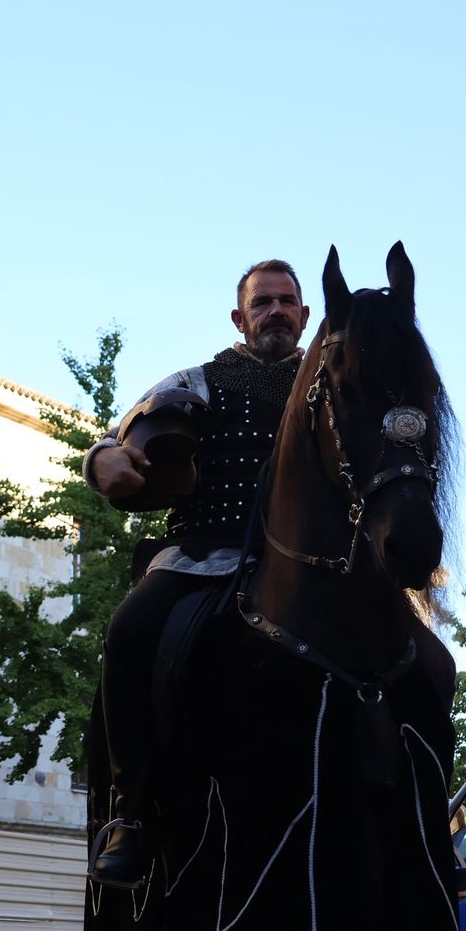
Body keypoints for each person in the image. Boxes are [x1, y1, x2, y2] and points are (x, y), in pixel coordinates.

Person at [85, 260, 310, 889]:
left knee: (409, 653)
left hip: (311, 563)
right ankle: (132, 813)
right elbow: (116, 437)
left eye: (286, 301)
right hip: (200, 554)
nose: (275, 311)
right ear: (240, 318)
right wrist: (101, 462)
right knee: (129, 633)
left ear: (304, 315)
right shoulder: (197, 381)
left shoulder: (332, 381)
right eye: (262, 303)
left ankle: (422, 820)